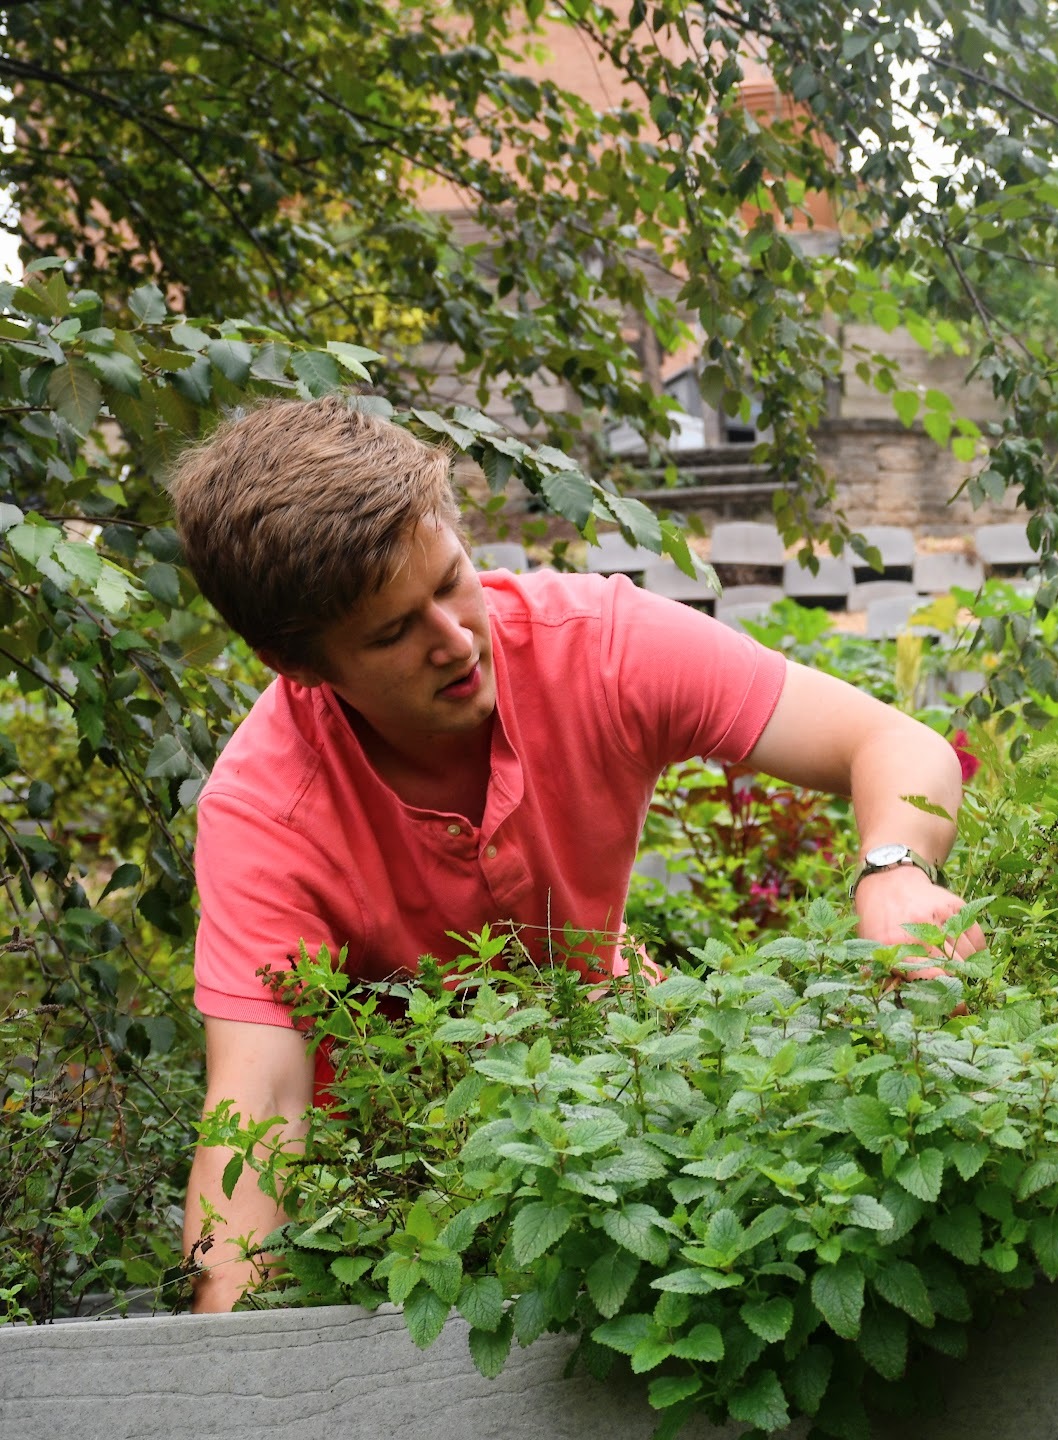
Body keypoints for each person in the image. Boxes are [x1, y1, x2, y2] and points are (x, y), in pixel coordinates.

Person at [170, 396, 984, 1311]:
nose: (454, 640)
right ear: (302, 667)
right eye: (394, 632)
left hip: (618, 1097)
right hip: (406, 1198)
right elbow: (259, 1115)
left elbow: (893, 744)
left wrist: (895, 871)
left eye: (448, 582)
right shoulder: (264, 811)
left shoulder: (593, 644)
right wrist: (228, 1371)